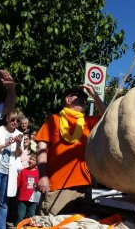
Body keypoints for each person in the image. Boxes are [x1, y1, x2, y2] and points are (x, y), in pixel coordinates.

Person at [35, 84, 106, 216]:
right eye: (79, 96)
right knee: (53, 225)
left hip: (84, 187)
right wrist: (43, 176)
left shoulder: (87, 121)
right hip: (58, 187)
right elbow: (41, 148)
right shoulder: (54, 120)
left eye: (86, 98)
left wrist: (94, 95)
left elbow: (107, 116)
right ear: (68, 99)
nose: (84, 99)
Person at [16, 153, 39, 225]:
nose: (30, 161)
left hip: (34, 197)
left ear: (37, 163)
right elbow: (18, 182)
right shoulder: (23, 171)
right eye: (30, 159)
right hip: (23, 197)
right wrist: (15, 191)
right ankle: (19, 226)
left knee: (31, 214)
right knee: (21, 215)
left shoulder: (39, 173)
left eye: (33, 160)